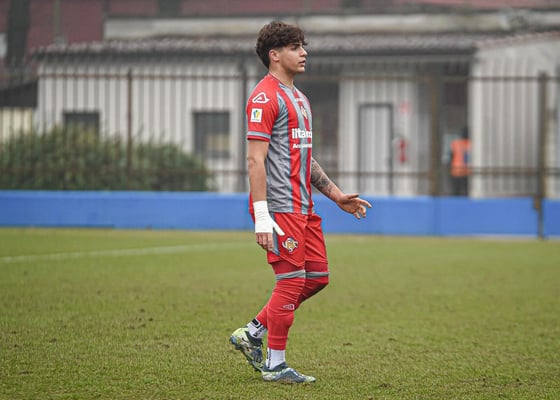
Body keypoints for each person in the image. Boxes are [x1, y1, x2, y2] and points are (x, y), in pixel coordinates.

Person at [229, 21, 372, 384]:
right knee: (291, 281)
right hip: (279, 207)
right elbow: (255, 160)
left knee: (318, 277)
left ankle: (252, 333)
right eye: (295, 47)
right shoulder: (264, 97)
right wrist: (262, 216)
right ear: (274, 55)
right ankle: (275, 365)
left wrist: (336, 195)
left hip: (304, 207)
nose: (304, 52)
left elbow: (304, 156)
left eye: (303, 46)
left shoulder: (300, 99)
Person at [449, 126, 471, 196]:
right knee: (466, 191)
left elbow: (451, 156)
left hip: (456, 170)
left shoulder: (455, 143)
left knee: (456, 191)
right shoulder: (471, 144)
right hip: (467, 171)